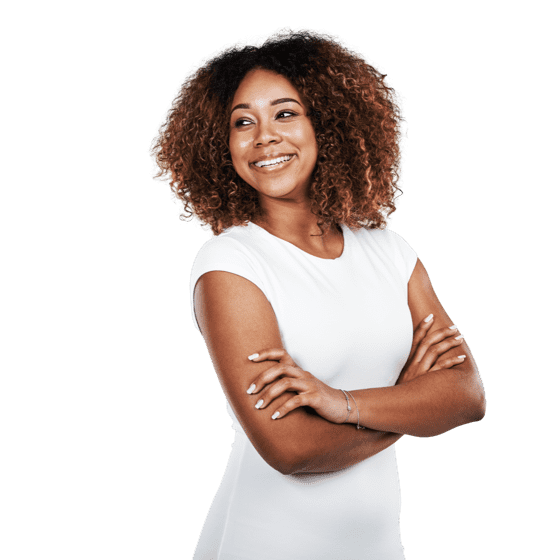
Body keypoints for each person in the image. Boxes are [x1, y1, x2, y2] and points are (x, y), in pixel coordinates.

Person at [148, 27, 486, 560]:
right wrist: (410, 403)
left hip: (378, 547)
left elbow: (466, 397)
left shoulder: (390, 253)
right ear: (221, 145)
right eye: (242, 122)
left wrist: (340, 403)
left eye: (285, 113)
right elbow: (291, 449)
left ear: (328, 124)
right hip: (267, 543)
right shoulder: (232, 263)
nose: (263, 137)